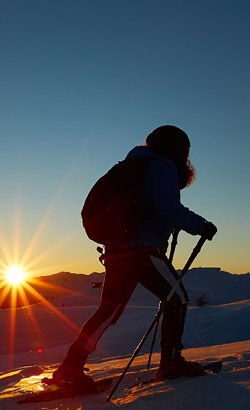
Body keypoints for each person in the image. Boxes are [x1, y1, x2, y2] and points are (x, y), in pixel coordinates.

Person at [49, 125, 217, 387]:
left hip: (117, 252)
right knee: (177, 298)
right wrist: (201, 225)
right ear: (176, 149)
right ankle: (172, 363)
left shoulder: (129, 167)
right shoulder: (162, 166)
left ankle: (70, 367)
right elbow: (169, 207)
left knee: (108, 310)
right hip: (142, 250)